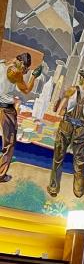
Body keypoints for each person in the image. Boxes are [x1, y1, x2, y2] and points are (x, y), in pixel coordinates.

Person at [47, 71, 84, 199]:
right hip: (77, 128)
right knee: (77, 161)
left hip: (68, 126)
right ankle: (76, 190)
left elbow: (60, 111)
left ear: (82, 78)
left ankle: (56, 188)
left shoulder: (78, 91)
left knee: (61, 159)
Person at [0, 51, 40, 183]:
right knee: (9, 143)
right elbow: (27, 90)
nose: (24, 70)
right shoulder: (15, 72)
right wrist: (34, 76)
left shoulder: (2, 64)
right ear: (21, 62)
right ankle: (1, 174)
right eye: (25, 67)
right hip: (6, 110)